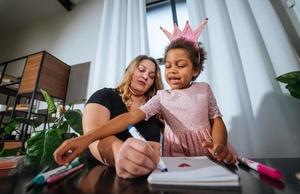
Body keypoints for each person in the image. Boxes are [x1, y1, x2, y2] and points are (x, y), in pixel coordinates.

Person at [54, 18, 236, 171]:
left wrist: (219, 144)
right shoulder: (161, 98)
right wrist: (85, 139)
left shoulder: (204, 89)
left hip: (210, 155)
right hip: (178, 161)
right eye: (168, 65)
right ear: (130, 70)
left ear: (195, 70)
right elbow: (130, 117)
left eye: (180, 65)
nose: (172, 70)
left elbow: (216, 120)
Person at [82, 55, 164, 178]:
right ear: (130, 70)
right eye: (141, 70)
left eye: (151, 76)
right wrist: (118, 152)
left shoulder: (156, 109)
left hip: (147, 177)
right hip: (100, 174)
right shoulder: (104, 95)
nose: (146, 76)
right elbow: (93, 135)